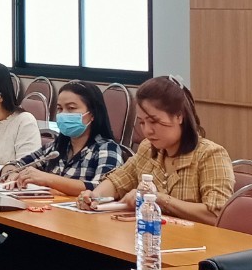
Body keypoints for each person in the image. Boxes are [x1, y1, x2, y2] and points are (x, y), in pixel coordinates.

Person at [76, 76, 234, 225]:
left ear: (179, 116)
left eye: (154, 121)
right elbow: (118, 181)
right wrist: (95, 196)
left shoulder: (210, 155)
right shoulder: (148, 148)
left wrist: (159, 199)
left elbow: (216, 214)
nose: (147, 131)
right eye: (142, 123)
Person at [0, 80, 124, 196]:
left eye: (71, 108)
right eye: (59, 108)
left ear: (92, 114)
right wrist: (12, 172)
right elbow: (16, 164)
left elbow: (104, 188)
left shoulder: (107, 148)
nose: (63, 114)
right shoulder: (56, 148)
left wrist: (48, 179)